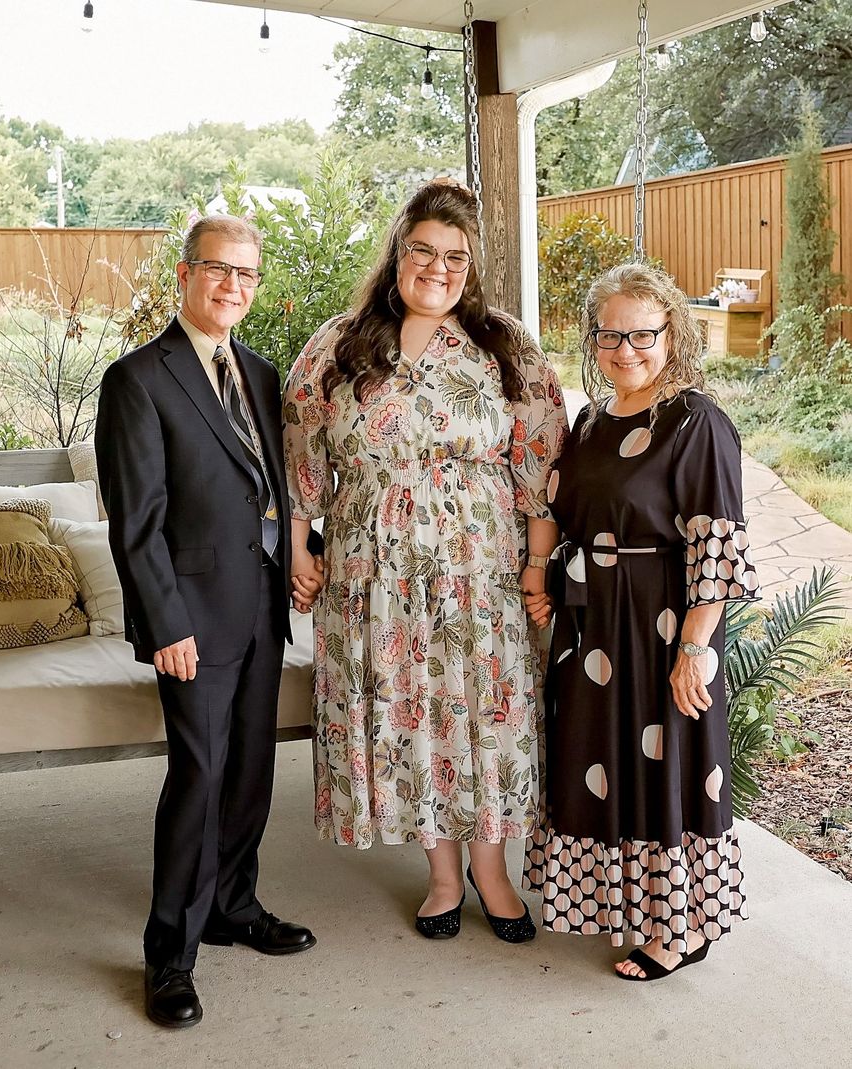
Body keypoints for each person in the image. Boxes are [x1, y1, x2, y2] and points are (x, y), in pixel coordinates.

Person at [282, 180, 567, 942]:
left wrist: (538, 568)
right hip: (371, 574)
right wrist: (300, 545)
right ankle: (442, 877)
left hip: (480, 571)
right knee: (410, 715)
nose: (438, 269)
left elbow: (539, 459)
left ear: (471, 265)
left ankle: (493, 871)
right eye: (423, 251)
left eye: (455, 257)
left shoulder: (504, 345)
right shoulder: (341, 344)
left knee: (484, 713)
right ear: (397, 253)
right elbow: (303, 445)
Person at [95, 216, 321, 1029]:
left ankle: (233, 904)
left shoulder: (260, 374)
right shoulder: (138, 379)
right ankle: (169, 956)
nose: (233, 286)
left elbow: (277, 488)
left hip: (261, 608)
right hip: (191, 619)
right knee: (198, 776)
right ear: (186, 274)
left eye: (247, 275)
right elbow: (136, 521)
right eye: (219, 270)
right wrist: (166, 623)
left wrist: (303, 550)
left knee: (251, 768)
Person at [522, 262, 760, 981]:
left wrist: (696, 645)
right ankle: (630, 904)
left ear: (671, 334)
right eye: (610, 334)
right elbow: (560, 511)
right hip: (593, 627)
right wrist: (546, 579)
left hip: (663, 621)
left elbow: (715, 541)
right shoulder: (592, 420)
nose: (626, 349)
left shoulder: (698, 422)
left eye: (643, 334)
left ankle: (681, 926)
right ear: (592, 338)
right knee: (603, 759)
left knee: (669, 764)